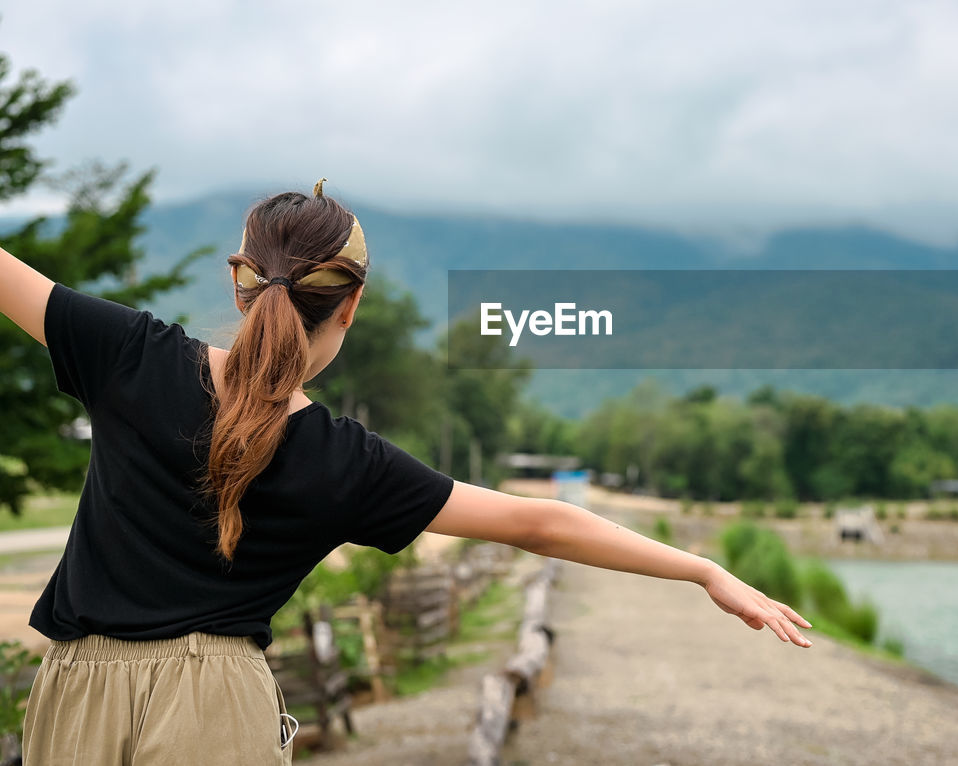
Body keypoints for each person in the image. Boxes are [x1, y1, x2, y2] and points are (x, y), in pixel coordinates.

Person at [0, 181, 811, 765]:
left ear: (240, 283)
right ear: (351, 307)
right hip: (218, 705)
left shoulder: (128, 354)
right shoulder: (346, 461)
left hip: (77, 690)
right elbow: (542, 522)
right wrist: (704, 570)